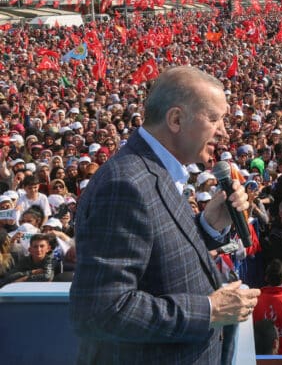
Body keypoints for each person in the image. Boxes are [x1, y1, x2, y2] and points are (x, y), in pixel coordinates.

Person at [69, 66, 259, 364]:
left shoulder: (159, 172)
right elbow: (101, 311)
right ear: (176, 119)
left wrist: (208, 227)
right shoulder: (125, 185)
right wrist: (209, 311)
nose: (223, 130)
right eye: (214, 119)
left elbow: (159, 258)